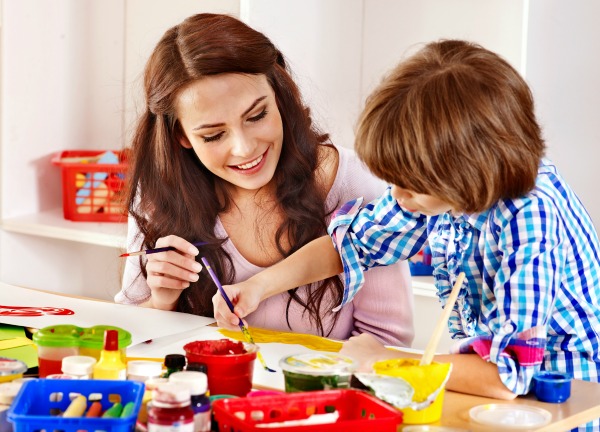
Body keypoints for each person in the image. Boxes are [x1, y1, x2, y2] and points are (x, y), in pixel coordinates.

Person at [214, 40, 600, 429]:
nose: (396, 196)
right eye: (394, 181)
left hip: (563, 409)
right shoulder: (437, 190)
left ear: (468, 172)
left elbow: (505, 376)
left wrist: (380, 360)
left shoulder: (531, 219)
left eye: (410, 186)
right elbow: (350, 246)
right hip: (498, 402)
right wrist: (260, 285)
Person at [114, 13, 414, 346]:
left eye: (257, 115)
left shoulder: (355, 185)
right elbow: (131, 340)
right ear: (181, 136)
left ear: (280, 95)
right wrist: (161, 300)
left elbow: (389, 346)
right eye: (213, 135)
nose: (244, 149)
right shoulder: (160, 192)